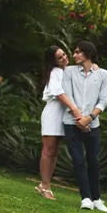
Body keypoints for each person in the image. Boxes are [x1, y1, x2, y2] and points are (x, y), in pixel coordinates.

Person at [61, 40, 107, 212]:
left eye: (77, 52)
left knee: (93, 161)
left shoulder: (103, 74)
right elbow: (67, 95)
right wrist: (80, 119)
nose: (73, 55)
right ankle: (86, 198)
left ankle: (97, 198)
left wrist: (89, 119)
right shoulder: (68, 72)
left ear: (88, 53)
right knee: (78, 161)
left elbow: (103, 100)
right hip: (71, 122)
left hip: (92, 124)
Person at [36, 46, 75, 200]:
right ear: (53, 62)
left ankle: (45, 184)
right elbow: (58, 93)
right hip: (52, 115)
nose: (64, 58)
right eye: (60, 57)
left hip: (63, 116)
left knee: (55, 152)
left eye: (64, 54)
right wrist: (74, 109)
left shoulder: (68, 71)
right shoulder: (55, 73)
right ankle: (45, 185)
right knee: (48, 150)